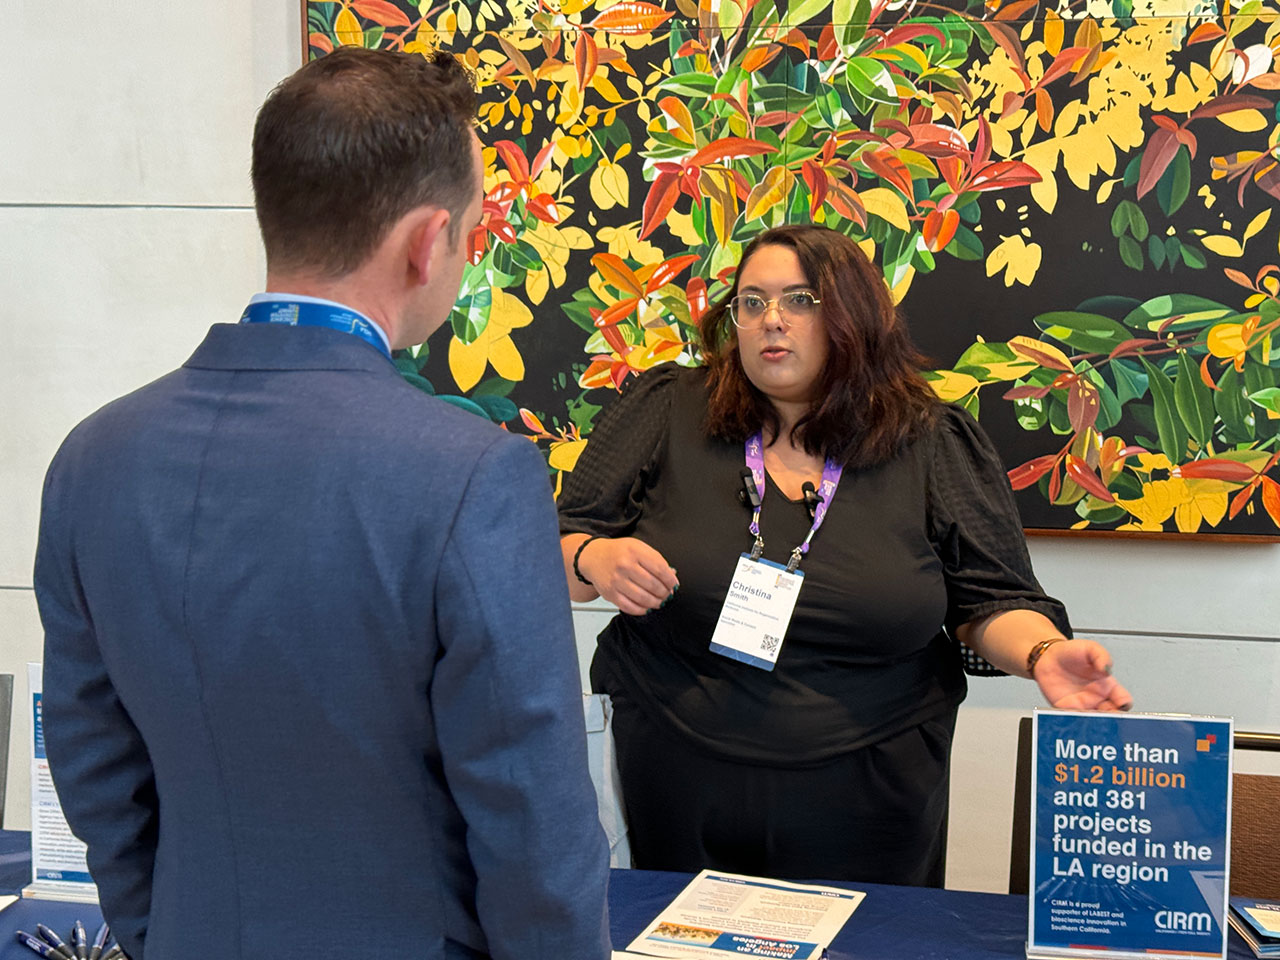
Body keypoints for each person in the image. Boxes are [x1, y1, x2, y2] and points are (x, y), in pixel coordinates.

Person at [35, 47, 609, 960]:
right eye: (469, 233)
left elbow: (93, 763)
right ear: (429, 241)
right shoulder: (473, 477)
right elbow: (530, 821)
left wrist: (163, 932)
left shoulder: (92, 458)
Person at [558, 223, 1132, 887]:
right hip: (671, 772)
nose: (772, 320)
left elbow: (990, 600)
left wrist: (1043, 654)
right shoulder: (665, 409)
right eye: (752, 302)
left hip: (871, 794)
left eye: (800, 301)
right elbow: (560, 542)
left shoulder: (932, 440)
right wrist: (591, 557)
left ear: (852, 315)